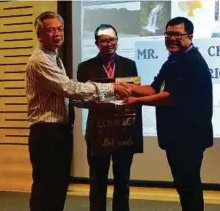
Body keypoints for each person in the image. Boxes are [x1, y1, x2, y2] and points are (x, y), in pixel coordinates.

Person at [26, 12, 130, 211]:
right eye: (50, 30)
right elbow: (70, 89)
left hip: (58, 130)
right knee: (47, 188)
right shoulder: (40, 60)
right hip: (47, 131)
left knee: (56, 187)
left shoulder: (52, 57)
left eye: (60, 28)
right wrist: (111, 89)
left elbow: (68, 95)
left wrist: (95, 100)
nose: (57, 33)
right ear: (39, 34)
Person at [122, 17, 213, 211]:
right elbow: (155, 89)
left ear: (190, 36)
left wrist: (137, 102)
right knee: (183, 184)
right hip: (176, 137)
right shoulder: (173, 60)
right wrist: (124, 87)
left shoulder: (192, 62)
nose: (172, 39)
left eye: (177, 35)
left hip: (189, 137)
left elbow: (171, 98)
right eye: (168, 34)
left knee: (189, 185)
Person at [77, 24, 143, 211]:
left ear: (117, 41)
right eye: (104, 41)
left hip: (124, 131)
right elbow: (79, 99)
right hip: (98, 133)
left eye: (112, 40)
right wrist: (92, 101)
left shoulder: (129, 64)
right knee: (97, 181)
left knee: (123, 181)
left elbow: (134, 93)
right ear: (97, 43)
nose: (109, 44)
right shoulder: (85, 67)